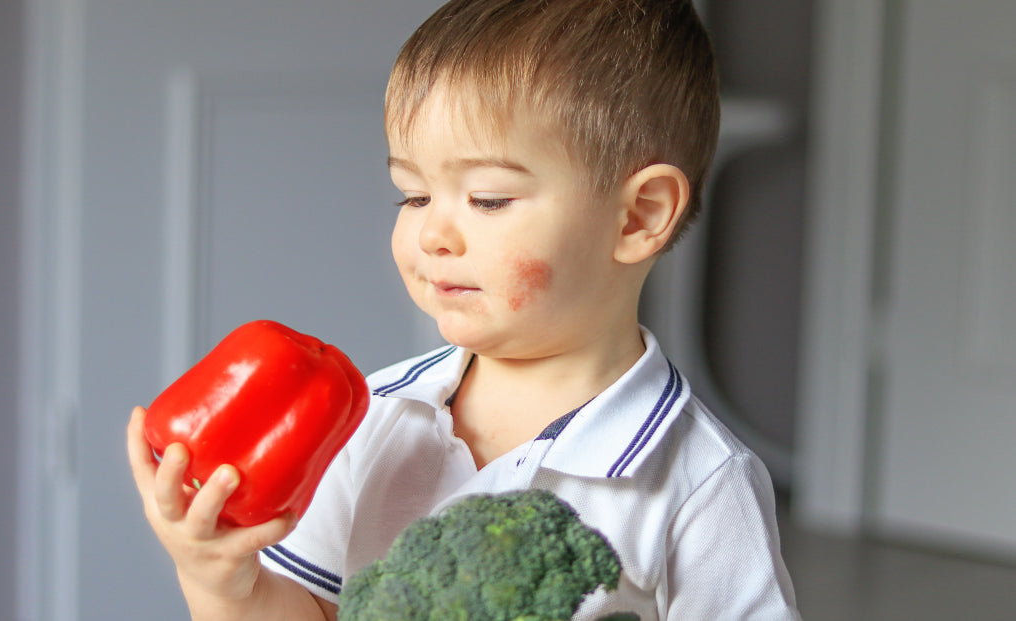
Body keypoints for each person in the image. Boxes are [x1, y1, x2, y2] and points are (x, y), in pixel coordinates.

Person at [127, 0, 801, 618]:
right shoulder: (373, 416)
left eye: (487, 199)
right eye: (414, 196)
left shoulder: (699, 480)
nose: (431, 234)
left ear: (637, 217)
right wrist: (222, 580)